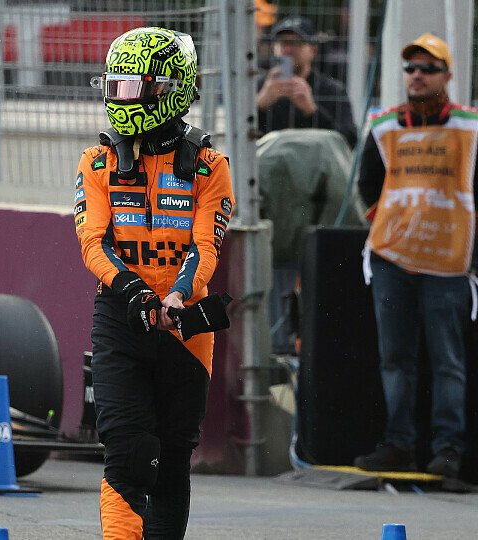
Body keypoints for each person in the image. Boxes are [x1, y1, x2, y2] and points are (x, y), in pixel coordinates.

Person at [74, 27, 234, 539]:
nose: (121, 98)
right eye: (114, 86)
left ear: (172, 88)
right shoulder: (96, 162)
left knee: (170, 457)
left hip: (186, 328)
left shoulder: (210, 166)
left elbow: (203, 249)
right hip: (121, 319)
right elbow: (94, 245)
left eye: (133, 87)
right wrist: (138, 295)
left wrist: (175, 298)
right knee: (128, 450)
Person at [353, 33, 476, 480]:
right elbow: (367, 184)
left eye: (428, 68)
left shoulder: (469, 126)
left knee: (448, 361)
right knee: (395, 357)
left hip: (447, 262)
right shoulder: (385, 125)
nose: (417, 75)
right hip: (393, 258)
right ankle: (399, 444)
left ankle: (448, 451)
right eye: (411, 68)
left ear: (447, 75)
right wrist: (387, 224)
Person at [256, 16, 357, 147]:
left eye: (297, 43)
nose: (287, 50)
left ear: (313, 50)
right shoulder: (260, 87)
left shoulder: (332, 90)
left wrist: (312, 111)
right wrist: (259, 106)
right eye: (282, 42)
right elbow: (237, 136)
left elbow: (349, 141)